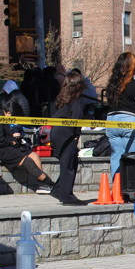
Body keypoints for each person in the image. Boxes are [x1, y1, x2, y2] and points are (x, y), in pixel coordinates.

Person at [0, 92, 54, 194]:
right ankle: (50, 183)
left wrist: (13, 139)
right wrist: (11, 141)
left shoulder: (3, 116)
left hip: (6, 144)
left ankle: (42, 185)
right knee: (27, 160)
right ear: (8, 113)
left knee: (34, 155)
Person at [104, 52, 135, 177]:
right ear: (132, 67)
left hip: (112, 122)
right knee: (134, 157)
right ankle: (132, 185)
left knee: (116, 156)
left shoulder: (112, 85)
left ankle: (117, 185)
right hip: (133, 123)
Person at [49, 71, 89, 205]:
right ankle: (67, 196)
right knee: (69, 164)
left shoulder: (61, 99)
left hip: (57, 132)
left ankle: (58, 189)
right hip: (67, 133)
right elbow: (76, 119)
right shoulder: (76, 101)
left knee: (67, 162)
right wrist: (76, 135)